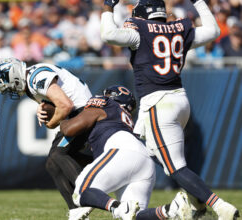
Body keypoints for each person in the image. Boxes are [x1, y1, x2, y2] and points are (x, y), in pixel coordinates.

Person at [100, 0, 239, 219]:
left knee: (175, 167)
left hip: (157, 102)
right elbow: (213, 31)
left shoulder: (140, 31)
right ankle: (195, 203)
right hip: (178, 100)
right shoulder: (178, 29)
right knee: (136, 143)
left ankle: (220, 206)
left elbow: (108, 35)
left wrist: (108, 7)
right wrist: (200, 2)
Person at [60, 85, 191, 220]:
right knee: (134, 216)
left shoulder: (106, 104)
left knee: (81, 192)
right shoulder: (124, 119)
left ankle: (118, 207)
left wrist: (62, 120)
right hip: (143, 159)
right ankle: (171, 209)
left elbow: (70, 129)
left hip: (123, 150)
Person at [0, 58, 93, 220]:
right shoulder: (31, 83)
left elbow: (65, 106)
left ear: (16, 77)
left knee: (57, 156)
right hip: (77, 114)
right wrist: (45, 108)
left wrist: (50, 123)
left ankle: (88, 194)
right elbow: (58, 106)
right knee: (53, 163)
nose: (11, 90)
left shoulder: (35, 77)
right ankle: (77, 210)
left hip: (83, 114)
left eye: (10, 85)